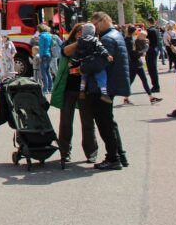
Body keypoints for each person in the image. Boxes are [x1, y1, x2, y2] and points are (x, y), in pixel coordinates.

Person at [63, 12, 130, 170]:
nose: (95, 28)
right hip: (109, 84)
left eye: (96, 24)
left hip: (101, 87)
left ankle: (113, 158)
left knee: (105, 124)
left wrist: (81, 68)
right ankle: (120, 155)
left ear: (105, 19)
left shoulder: (107, 39)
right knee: (109, 122)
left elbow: (98, 63)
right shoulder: (116, 35)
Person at [51, 24, 99, 164]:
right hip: (69, 88)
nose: (81, 34)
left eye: (84, 32)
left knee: (87, 122)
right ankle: (65, 152)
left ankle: (91, 152)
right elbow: (65, 52)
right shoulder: (68, 44)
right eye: (79, 31)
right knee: (66, 122)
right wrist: (81, 42)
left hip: (85, 90)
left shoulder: (94, 44)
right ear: (75, 33)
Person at [74, 23, 113, 103]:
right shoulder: (95, 40)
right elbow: (101, 48)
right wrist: (107, 55)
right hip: (94, 62)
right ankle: (104, 93)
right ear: (93, 31)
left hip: (84, 63)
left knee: (84, 77)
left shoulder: (79, 41)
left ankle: (82, 91)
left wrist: (73, 61)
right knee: (101, 74)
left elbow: (76, 53)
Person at [125, 26, 162, 105]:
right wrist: (141, 53)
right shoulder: (129, 41)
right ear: (133, 32)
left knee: (143, 80)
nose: (137, 33)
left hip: (137, 63)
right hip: (134, 63)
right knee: (132, 81)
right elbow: (132, 53)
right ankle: (126, 97)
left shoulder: (130, 40)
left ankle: (151, 98)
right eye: (136, 31)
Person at [37, 24, 54, 94]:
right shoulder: (50, 35)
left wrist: (40, 57)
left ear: (40, 29)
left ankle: (45, 89)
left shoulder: (42, 36)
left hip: (43, 55)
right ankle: (51, 88)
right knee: (48, 72)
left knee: (44, 73)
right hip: (49, 55)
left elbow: (41, 48)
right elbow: (52, 45)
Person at [146, 22, 162, 92]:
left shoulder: (150, 31)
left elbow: (147, 41)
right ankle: (156, 86)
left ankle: (156, 86)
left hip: (151, 50)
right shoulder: (156, 30)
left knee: (152, 69)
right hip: (155, 49)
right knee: (153, 69)